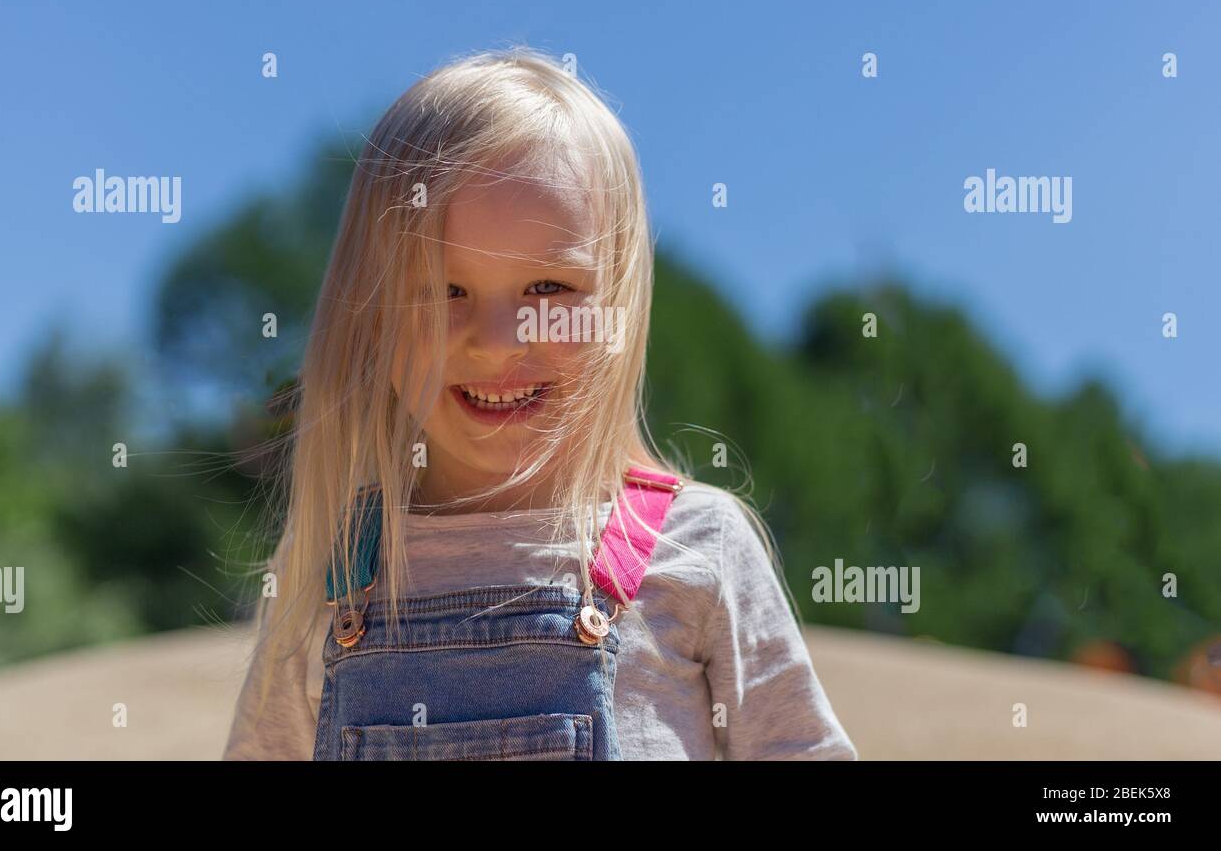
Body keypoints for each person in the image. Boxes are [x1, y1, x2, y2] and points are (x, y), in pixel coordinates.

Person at [222, 47, 857, 760]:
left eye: (550, 289)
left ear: (617, 304)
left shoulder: (699, 549)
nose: (497, 343)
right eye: (440, 290)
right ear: (369, 313)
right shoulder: (329, 568)